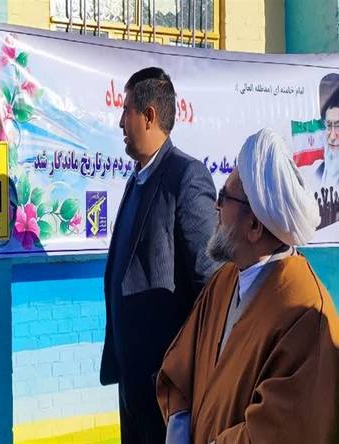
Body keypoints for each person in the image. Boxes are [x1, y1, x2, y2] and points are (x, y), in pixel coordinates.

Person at [157, 128, 339, 444]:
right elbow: (180, 371)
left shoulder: (306, 314)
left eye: (224, 197)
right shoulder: (224, 281)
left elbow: (282, 430)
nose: (215, 207)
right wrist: (180, 431)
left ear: (254, 225)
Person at [100, 67, 220, 443]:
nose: (121, 122)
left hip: (166, 385)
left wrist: (189, 374)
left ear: (149, 115)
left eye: (126, 111)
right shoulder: (137, 178)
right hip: (132, 381)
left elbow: (212, 283)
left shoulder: (186, 177)